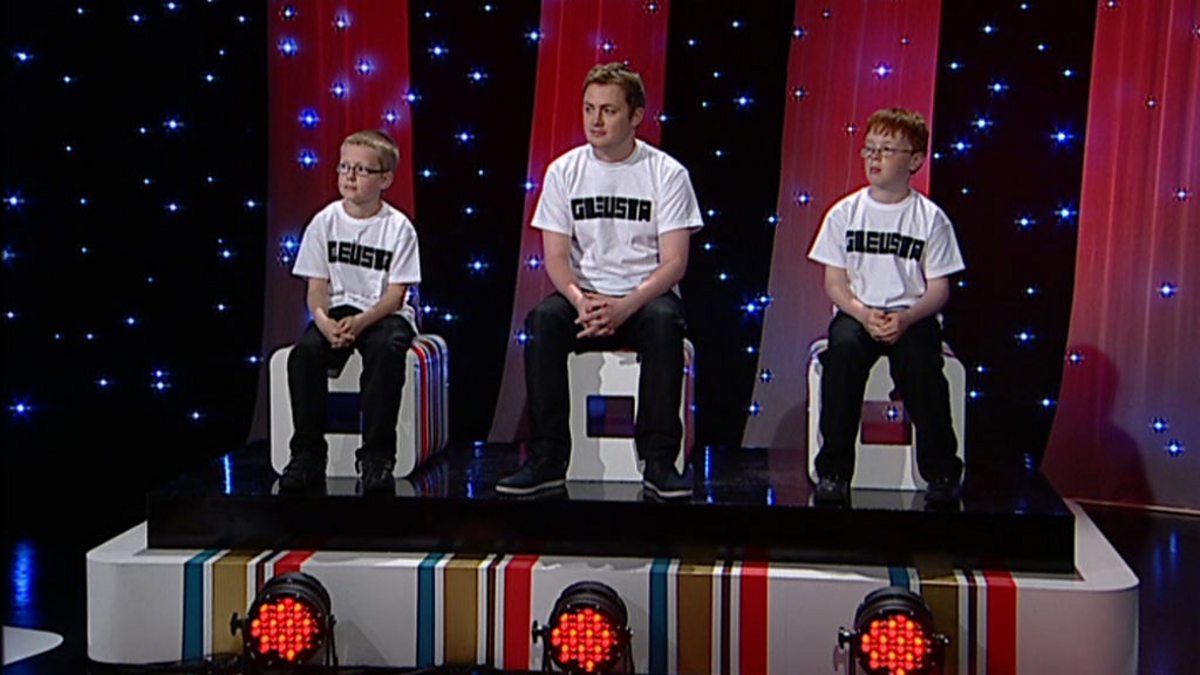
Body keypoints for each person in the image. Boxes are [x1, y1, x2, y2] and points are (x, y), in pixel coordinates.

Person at [496, 63, 704, 498]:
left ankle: (659, 461)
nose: (595, 120)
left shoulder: (667, 173)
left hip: (644, 296)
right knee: (543, 321)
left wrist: (624, 306)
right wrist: (580, 300)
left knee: (665, 322)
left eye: (608, 110)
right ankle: (547, 458)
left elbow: (674, 263)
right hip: (585, 298)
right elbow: (555, 257)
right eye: (589, 108)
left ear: (636, 116)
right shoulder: (563, 171)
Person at [808, 107, 965, 505]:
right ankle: (833, 473)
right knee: (842, 355)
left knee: (923, 367)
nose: (874, 157)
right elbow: (834, 283)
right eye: (870, 149)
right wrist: (863, 313)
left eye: (887, 150)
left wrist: (906, 318)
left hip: (911, 315)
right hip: (858, 313)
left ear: (915, 160)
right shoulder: (844, 213)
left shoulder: (930, 219)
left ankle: (942, 473)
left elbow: (939, 288)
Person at [280, 129, 422, 494]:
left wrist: (360, 323)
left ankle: (377, 458)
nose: (350, 176)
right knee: (304, 355)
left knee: (386, 350)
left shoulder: (399, 228)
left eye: (361, 169)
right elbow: (316, 288)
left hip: (383, 313)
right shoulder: (323, 221)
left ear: (385, 179)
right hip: (337, 311)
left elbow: (395, 296)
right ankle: (308, 456)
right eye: (344, 167)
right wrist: (323, 322)